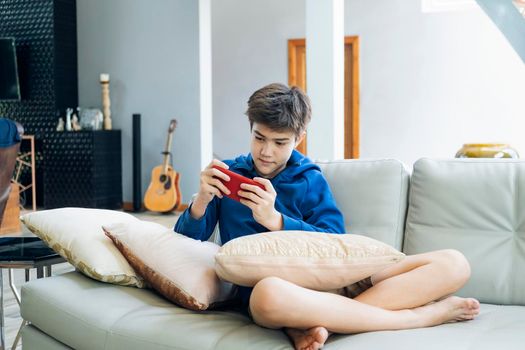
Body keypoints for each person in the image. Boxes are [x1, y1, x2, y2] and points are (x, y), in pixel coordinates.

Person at [174, 83, 479, 350]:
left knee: (454, 263)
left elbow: (335, 242)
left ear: (299, 138)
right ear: (250, 129)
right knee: (266, 296)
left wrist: (275, 220)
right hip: (282, 292)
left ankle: (326, 323)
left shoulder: (309, 179)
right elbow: (185, 247)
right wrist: (200, 201)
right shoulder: (228, 175)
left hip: (334, 280)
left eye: (280, 142)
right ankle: (419, 317)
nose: (266, 151)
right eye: (259, 138)